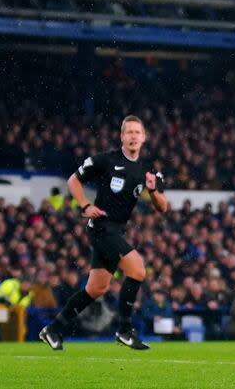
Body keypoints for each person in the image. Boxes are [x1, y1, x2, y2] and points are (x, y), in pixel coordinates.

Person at [39, 115, 169, 351]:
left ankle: (54, 329)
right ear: (121, 137)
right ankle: (124, 329)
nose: (132, 136)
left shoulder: (148, 170)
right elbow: (73, 181)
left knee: (97, 288)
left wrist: (153, 191)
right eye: (128, 132)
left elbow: (163, 207)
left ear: (144, 138)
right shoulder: (106, 160)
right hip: (101, 226)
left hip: (117, 229)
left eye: (137, 133)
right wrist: (85, 206)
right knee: (138, 270)